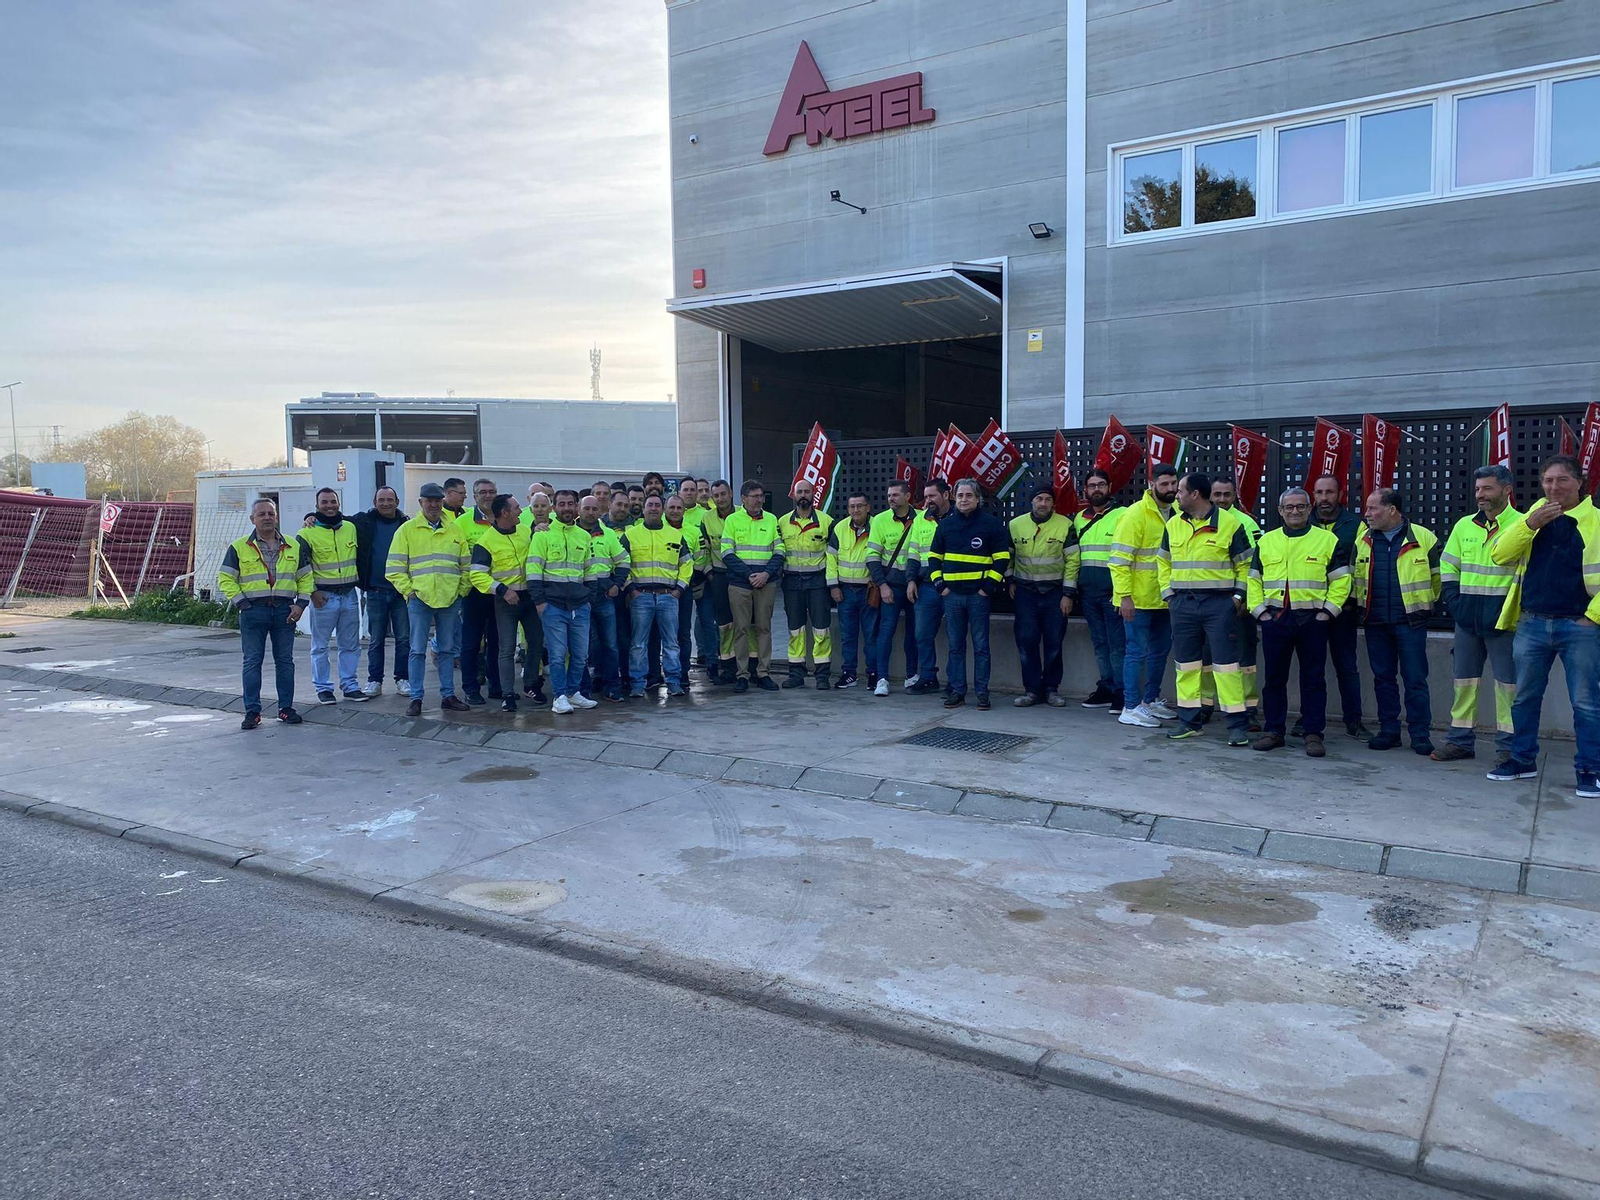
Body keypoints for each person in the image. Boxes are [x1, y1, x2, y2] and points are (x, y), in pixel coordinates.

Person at [1488, 455, 1600, 797]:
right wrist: (1529, 525)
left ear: (1579, 483)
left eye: (1562, 480)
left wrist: (1592, 617)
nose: (1554, 487)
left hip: (1579, 626)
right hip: (1533, 622)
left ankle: (1590, 769)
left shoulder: (1595, 520)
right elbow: (1499, 554)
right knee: (1524, 698)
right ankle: (1522, 760)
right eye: (1548, 481)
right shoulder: (1533, 516)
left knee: (1586, 702)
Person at [1247, 488, 1350, 757]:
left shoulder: (1327, 540)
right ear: (1280, 511)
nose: (1295, 511)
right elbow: (1253, 580)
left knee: (1313, 679)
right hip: (1276, 620)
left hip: (1312, 621)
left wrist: (1327, 613)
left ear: (1309, 508)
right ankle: (1274, 731)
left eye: (1301, 507)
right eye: (1289, 507)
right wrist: (1260, 613)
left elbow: (1341, 581)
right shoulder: (1266, 541)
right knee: (1274, 680)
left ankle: (1313, 733)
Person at [1435, 465, 1522, 764]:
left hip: (1505, 622)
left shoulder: (1522, 526)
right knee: (1464, 684)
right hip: (1467, 620)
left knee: (1508, 688)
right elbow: (1448, 568)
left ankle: (1508, 747)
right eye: (1477, 489)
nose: (1480, 495)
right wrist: (1456, 606)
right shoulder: (1463, 526)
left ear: (1506, 490)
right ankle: (1460, 742)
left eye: (1487, 488)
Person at [1158, 472, 1253, 745]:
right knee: (1186, 666)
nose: (1176, 495)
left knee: (1227, 666)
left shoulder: (1230, 524)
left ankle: (1237, 726)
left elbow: (1245, 565)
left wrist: (1237, 598)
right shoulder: (1173, 524)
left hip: (1219, 605)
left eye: (1180, 491)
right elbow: (1162, 563)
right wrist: (1169, 596)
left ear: (1195, 495)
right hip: (1183, 604)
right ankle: (1190, 722)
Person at [1353, 488, 1440, 754]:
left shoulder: (1424, 537)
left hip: (1410, 622)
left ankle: (1420, 734)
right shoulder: (1363, 540)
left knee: (1415, 680)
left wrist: (1423, 609)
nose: (1367, 514)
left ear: (1392, 510)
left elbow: (1437, 579)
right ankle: (1389, 731)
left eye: (1372, 508)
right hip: (1375, 621)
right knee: (1383, 679)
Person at [218, 498, 309, 729]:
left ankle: (286, 709)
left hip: (284, 611)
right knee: (252, 662)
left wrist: (301, 605)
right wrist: (241, 603)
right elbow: (226, 578)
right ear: (252, 519)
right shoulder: (239, 547)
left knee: (285, 662)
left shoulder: (293, 545)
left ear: (276, 517)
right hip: (253, 611)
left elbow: (306, 577)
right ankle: (252, 713)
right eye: (261, 514)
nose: (267, 517)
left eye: (270, 513)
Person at [386, 482, 472, 716]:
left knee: (447, 650)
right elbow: (394, 567)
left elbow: (466, 565)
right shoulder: (407, 530)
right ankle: (416, 698)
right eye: (429, 500)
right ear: (420, 502)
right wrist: (410, 591)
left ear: (443, 502)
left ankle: (448, 695)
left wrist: (460, 591)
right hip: (420, 600)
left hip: (449, 598)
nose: (434, 504)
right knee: (416, 650)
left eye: (437, 500)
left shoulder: (455, 530)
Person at [928, 478, 1011, 710]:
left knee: (981, 646)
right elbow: (934, 558)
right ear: (955, 498)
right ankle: (957, 691)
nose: (964, 500)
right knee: (955, 646)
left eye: (969, 496)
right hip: (951, 596)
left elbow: (1003, 559)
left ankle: (982, 693)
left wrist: (988, 588)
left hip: (978, 597)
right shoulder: (945, 525)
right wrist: (940, 586)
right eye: (961, 495)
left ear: (978, 499)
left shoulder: (991, 525)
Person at [1111, 464, 1179, 728]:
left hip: (1165, 597)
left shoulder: (1175, 513)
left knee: (1160, 652)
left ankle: (1149, 701)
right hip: (1138, 599)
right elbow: (1118, 560)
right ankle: (1130, 707)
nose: (1171, 488)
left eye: (1174, 483)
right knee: (1136, 653)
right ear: (1152, 485)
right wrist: (1124, 597)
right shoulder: (1135, 515)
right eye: (1165, 484)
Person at [470, 494, 546, 712]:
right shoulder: (485, 542)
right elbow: (476, 575)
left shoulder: (525, 531)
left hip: (530, 598)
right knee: (506, 648)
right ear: (504, 513)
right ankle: (508, 694)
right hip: (506, 601)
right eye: (516, 507)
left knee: (536, 642)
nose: (521, 511)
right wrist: (502, 590)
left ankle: (531, 684)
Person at [527, 489, 601, 715]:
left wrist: (589, 599)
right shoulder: (543, 535)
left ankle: (572, 692)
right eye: (562, 504)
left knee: (580, 655)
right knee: (558, 655)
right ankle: (559, 697)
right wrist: (540, 602)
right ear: (553, 508)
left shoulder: (584, 536)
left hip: (580, 605)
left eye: (570, 504)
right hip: (553, 605)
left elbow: (590, 570)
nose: (567, 508)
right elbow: (533, 570)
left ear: (576, 507)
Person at [1311, 474, 1372, 739]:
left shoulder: (1355, 525)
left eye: (1329, 492)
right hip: (1309, 610)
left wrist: (1354, 603)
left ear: (1341, 494)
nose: (1324, 498)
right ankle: (1308, 718)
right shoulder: (1303, 520)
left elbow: (1361, 568)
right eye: (1319, 492)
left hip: (1343, 610)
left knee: (1347, 667)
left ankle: (1353, 720)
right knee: (1311, 669)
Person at [1008, 485, 1079, 707]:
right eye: (1039, 498)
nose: (1043, 503)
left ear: (1053, 504)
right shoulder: (1015, 525)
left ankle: (1051, 690)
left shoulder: (1065, 525)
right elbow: (1006, 556)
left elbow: (1073, 561)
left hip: (1054, 594)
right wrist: (1010, 580)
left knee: (1054, 643)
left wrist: (1068, 594)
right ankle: (1031, 691)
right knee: (1026, 642)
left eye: (1048, 499)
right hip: (1025, 593)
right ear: (1032, 501)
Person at [297, 487, 366, 706]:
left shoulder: (351, 528)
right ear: (317, 506)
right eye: (324, 502)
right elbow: (302, 568)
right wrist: (313, 593)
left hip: (349, 595)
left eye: (333, 501)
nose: (329, 506)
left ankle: (350, 686)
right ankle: (324, 688)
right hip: (324, 597)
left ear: (339, 503)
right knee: (320, 646)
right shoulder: (306, 533)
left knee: (351, 645)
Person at [622, 493, 690, 697]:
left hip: (668, 596)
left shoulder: (676, 535)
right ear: (643, 509)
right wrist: (630, 589)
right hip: (640, 596)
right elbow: (621, 565)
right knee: (638, 644)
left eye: (657, 505)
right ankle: (637, 684)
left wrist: (679, 590)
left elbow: (687, 564)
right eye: (649, 505)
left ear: (662, 509)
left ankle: (674, 682)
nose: (653, 508)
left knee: (671, 643)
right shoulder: (631, 535)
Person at [720, 479, 784, 692]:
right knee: (741, 629)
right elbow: (727, 553)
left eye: (761, 496)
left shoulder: (771, 519)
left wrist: (766, 574)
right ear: (743, 499)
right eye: (755, 496)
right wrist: (749, 576)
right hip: (740, 583)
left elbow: (780, 551)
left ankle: (764, 673)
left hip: (766, 583)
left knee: (764, 628)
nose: (760, 500)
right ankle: (742, 675)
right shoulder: (732, 520)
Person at [1211, 478, 1262, 729]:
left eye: (1226, 495)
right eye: (1217, 494)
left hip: (1239, 603)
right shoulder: (1199, 521)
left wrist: (1245, 599)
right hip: (1209, 604)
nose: (1221, 499)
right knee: (1206, 658)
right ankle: (1204, 705)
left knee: (1244, 660)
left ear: (1234, 496)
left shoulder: (1246, 523)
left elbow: (1254, 567)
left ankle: (1248, 709)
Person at [1073, 469, 1125, 712]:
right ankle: (1106, 687)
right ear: (1085, 490)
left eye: (1101, 485)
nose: (1096, 489)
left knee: (1117, 646)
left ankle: (1122, 692)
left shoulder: (1123, 515)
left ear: (1110, 487)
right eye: (1092, 485)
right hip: (1088, 594)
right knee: (1100, 644)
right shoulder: (1079, 519)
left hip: (1113, 593)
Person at [352, 485, 410, 698]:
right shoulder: (363, 522)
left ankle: (402, 679)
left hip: (402, 592)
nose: (385, 503)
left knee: (404, 638)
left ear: (397, 501)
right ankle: (374, 680)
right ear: (374, 502)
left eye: (389, 499)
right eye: (381, 500)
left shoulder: (407, 524)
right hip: (375, 591)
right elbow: (334, 518)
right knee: (376, 640)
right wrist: (312, 516)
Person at [778, 479, 833, 689]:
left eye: (807, 491)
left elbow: (833, 555)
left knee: (821, 629)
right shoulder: (782, 522)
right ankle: (796, 673)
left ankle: (822, 675)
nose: (803, 495)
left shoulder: (827, 522)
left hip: (818, 582)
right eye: (799, 491)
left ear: (813, 494)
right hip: (791, 582)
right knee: (795, 630)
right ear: (794, 494)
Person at [868, 480, 920, 696]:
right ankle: (882, 679)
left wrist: (914, 580)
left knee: (914, 633)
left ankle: (912, 676)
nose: (891, 499)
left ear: (908, 497)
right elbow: (872, 557)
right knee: (885, 632)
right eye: (889, 495)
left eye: (896, 495)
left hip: (915, 586)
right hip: (890, 587)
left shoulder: (922, 519)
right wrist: (882, 585)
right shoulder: (880, 520)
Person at [454, 477, 503, 706]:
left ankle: (496, 685)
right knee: (471, 643)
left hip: (500, 591)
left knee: (497, 641)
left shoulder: (505, 518)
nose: (488, 495)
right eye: (482, 492)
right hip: (474, 592)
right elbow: (458, 558)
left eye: (491, 491)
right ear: (474, 496)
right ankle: (471, 688)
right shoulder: (462, 523)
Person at [827, 491, 878, 689]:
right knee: (847, 635)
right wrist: (833, 586)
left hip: (868, 591)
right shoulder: (840, 527)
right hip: (845, 592)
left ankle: (873, 674)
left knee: (871, 635)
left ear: (868, 507)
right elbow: (831, 560)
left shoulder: (877, 527)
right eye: (852, 506)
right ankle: (849, 673)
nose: (855, 510)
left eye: (859, 506)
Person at [580, 493, 628, 702]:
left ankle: (611, 686)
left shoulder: (608, 534)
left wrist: (617, 584)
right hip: (579, 596)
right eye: (587, 508)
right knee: (584, 645)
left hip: (604, 596)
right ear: (579, 510)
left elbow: (624, 562)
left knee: (610, 643)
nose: (591, 513)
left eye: (594, 509)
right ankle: (583, 688)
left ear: (601, 511)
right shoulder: (569, 533)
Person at [905, 479, 951, 695]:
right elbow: (913, 554)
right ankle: (928, 677)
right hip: (927, 587)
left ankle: (955, 681)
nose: (928, 501)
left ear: (946, 495)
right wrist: (911, 580)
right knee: (922, 634)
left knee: (955, 636)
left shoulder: (957, 518)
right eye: (926, 496)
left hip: (953, 587)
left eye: (933, 496)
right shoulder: (920, 520)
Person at [703, 479, 739, 683]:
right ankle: (728, 667)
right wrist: (710, 573)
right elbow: (704, 549)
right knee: (724, 624)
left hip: (743, 577)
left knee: (747, 623)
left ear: (731, 494)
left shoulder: (743, 514)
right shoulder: (707, 518)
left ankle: (750, 666)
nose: (720, 499)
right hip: (719, 576)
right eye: (716, 495)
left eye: (723, 494)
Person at [666, 494, 702, 684]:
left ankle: (683, 673)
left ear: (684, 511)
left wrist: (684, 584)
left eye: (679, 508)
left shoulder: (693, 532)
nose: (675, 511)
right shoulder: (658, 530)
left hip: (683, 590)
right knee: (659, 635)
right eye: (671, 507)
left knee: (683, 634)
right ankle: (656, 674)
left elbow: (699, 559)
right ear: (665, 509)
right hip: (659, 590)